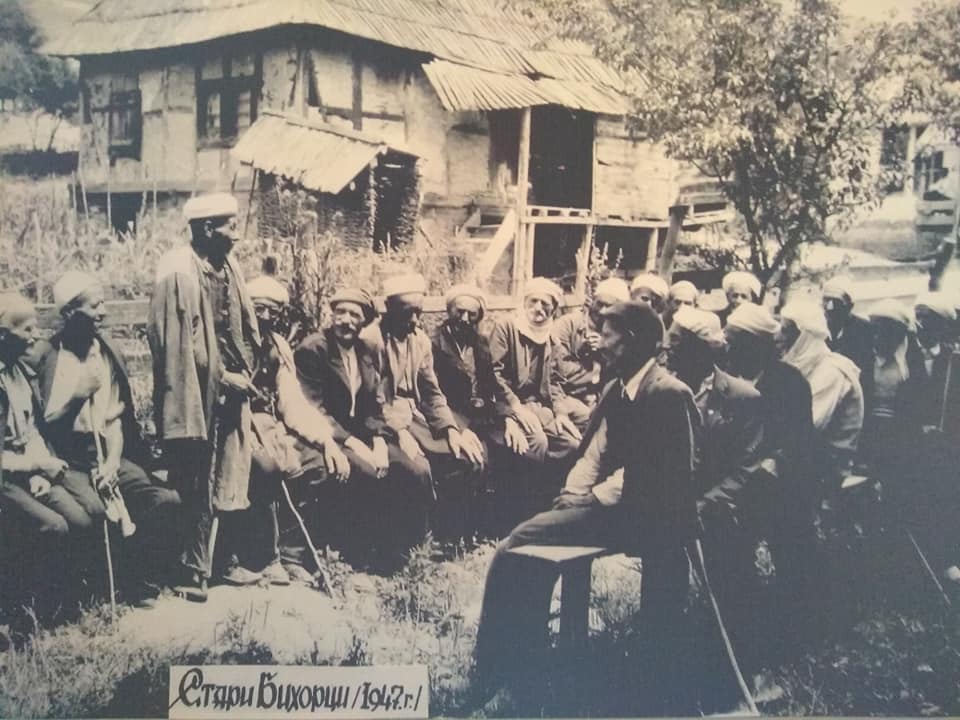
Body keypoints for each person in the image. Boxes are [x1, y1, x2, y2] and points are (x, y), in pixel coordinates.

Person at [474, 301, 699, 715]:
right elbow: (594, 452)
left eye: (609, 335)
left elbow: (658, 476)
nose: (601, 342)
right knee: (529, 559)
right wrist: (572, 494)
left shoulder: (668, 393)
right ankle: (522, 667)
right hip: (614, 509)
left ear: (632, 341)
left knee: (514, 544)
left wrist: (588, 501)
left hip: (647, 519)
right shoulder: (618, 387)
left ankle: (492, 670)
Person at [32, 272, 182, 603]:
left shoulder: (105, 351)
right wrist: (77, 395)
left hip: (106, 453)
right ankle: (101, 589)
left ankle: (140, 574)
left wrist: (113, 462)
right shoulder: (48, 357)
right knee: (95, 511)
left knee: (163, 499)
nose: (104, 311)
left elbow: (113, 418)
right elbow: (44, 427)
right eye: (95, 305)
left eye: (104, 303)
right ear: (70, 312)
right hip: (67, 459)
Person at [147, 192, 261, 602]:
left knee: (229, 474)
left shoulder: (228, 266)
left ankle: (220, 558)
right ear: (207, 228)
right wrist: (222, 376)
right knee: (193, 479)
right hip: (195, 393)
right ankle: (186, 569)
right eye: (229, 227)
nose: (236, 235)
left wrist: (243, 371)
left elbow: (240, 328)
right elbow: (181, 347)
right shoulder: (178, 270)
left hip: (231, 388)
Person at [712, 302, 817, 673]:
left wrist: (766, 467)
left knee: (792, 551)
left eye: (733, 338)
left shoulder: (789, 381)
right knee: (730, 550)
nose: (726, 343)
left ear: (756, 343)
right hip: (741, 480)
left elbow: (798, 441)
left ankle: (792, 634)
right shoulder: (727, 378)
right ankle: (736, 629)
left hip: (782, 481)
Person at [296, 287, 432, 566]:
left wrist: (380, 442)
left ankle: (409, 552)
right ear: (330, 315)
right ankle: (362, 557)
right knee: (369, 473)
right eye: (340, 313)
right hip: (328, 435)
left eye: (354, 315)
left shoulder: (368, 349)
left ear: (364, 321)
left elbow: (374, 404)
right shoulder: (313, 349)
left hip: (364, 432)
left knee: (413, 468)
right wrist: (354, 443)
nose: (346, 321)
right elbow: (313, 408)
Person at [239, 275, 355, 585]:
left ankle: (292, 554)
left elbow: (291, 401)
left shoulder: (277, 345)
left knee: (317, 463)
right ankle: (261, 556)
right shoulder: (231, 341)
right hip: (236, 424)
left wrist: (326, 440)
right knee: (266, 468)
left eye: (273, 312)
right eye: (259, 309)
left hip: (271, 423)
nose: (265, 317)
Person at [0, 293, 104, 612]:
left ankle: (64, 600)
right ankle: (30, 609)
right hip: (6, 480)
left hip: (28, 473)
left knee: (84, 519)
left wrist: (39, 470)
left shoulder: (19, 374)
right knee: (53, 527)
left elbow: (30, 430)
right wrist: (33, 465)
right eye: (28, 330)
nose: (35, 337)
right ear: (4, 334)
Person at [488, 277, 581, 519]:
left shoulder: (552, 337)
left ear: (554, 308)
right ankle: (520, 512)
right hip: (506, 407)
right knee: (536, 442)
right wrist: (515, 409)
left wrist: (561, 413)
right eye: (533, 301)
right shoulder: (506, 327)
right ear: (524, 302)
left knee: (570, 444)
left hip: (540, 408)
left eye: (545, 304)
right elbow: (493, 375)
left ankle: (548, 504)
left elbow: (558, 382)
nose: (538, 308)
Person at [780, 298, 864, 493]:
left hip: (826, 469)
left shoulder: (831, 372)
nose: (778, 337)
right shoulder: (807, 366)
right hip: (801, 459)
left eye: (786, 331)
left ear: (804, 337)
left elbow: (809, 426)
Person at [550, 277, 630, 417]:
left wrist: (605, 353)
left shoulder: (621, 333)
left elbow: (623, 374)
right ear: (592, 301)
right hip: (565, 396)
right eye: (600, 304)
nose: (603, 311)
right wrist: (588, 359)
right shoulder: (566, 325)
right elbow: (558, 371)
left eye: (610, 306)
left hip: (600, 399)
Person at [822, 275, 873, 380]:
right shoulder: (818, 328)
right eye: (826, 301)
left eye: (836, 302)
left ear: (850, 306)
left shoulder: (864, 330)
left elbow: (865, 369)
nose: (829, 308)